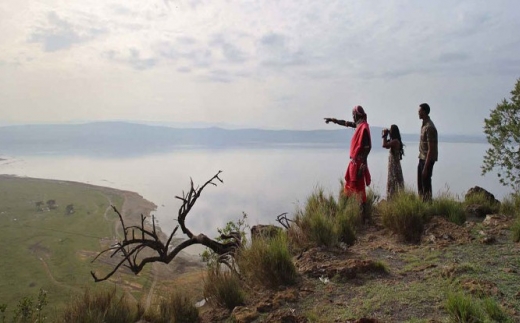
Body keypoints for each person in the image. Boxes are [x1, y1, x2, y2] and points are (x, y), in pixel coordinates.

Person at [324, 105, 372, 222]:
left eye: (353, 114)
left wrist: (363, 166)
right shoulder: (359, 125)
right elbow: (346, 123)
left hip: (359, 163)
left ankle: (362, 218)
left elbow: (367, 147)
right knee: (351, 189)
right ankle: (354, 214)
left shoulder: (363, 128)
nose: (352, 117)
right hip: (355, 163)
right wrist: (333, 120)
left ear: (357, 115)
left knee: (359, 190)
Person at [417, 103, 438, 202]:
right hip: (422, 158)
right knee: (420, 184)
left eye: (420, 111)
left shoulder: (430, 127)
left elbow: (431, 148)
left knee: (426, 184)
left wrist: (426, 166)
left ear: (424, 112)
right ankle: (422, 204)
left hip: (427, 159)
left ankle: (428, 205)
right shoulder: (424, 125)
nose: (418, 112)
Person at [382, 124, 405, 199]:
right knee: (394, 182)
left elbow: (384, 145)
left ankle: (393, 199)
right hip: (394, 165)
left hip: (394, 166)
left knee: (393, 182)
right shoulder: (395, 141)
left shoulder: (395, 141)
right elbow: (386, 146)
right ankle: (394, 198)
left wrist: (385, 135)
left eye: (390, 130)